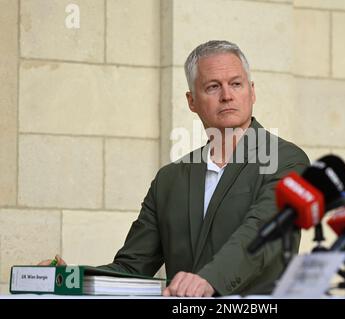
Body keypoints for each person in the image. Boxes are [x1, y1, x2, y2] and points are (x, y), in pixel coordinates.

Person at [39, 40, 310, 297]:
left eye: (236, 84)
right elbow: (132, 268)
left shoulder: (287, 160)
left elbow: (263, 233)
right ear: (192, 101)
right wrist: (71, 278)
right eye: (213, 87)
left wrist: (210, 280)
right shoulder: (168, 179)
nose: (227, 96)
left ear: (252, 92)